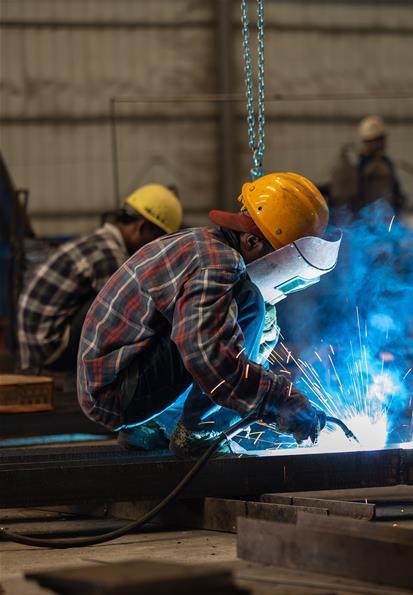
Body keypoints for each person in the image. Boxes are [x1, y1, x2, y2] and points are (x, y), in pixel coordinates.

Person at [77, 172, 331, 457]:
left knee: (256, 315)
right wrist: (280, 399)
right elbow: (205, 353)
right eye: (278, 260)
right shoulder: (220, 263)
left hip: (120, 381)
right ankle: (201, 431)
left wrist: (266, 394)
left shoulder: (207, 246)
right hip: (117, 393)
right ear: (250, 242)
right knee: (249, 301)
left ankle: (154, 425)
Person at [17, 184, 182, 372]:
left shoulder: (99, 241)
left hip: (38, 343)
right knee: (121, 307)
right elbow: (134, 313)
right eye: (156, 239)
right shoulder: (109, 255)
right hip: (50, 349)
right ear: (142, 227)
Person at [330, 116, 406, 216]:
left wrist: (398, 203)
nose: (382, 143)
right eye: (379, 140)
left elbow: (394, 188)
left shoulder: (387, 162)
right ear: (368, 141)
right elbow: (351, 195)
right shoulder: (359, 164)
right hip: (366, 216)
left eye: (382, 139)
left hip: (387, 214)